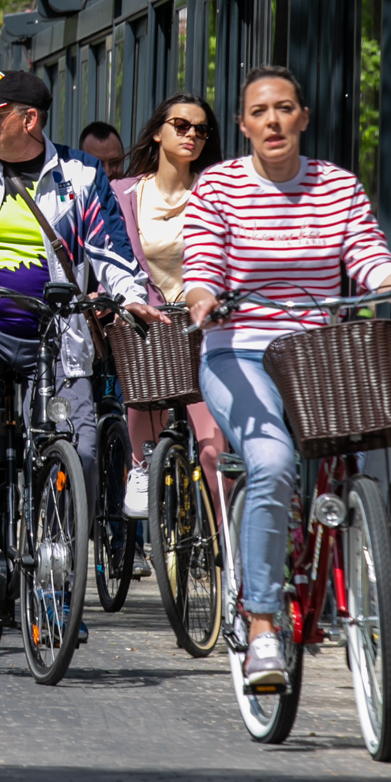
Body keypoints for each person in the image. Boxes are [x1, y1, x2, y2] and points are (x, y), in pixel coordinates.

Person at [184, 66, 391, 692]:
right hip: (238, 351)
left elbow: (367, 256)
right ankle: (262, 621)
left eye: (284, 108)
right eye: (259, 111)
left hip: (318, 353)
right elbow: (203, 260)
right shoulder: (219, 186)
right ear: (243, 125)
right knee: (270, 462)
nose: (272, 120)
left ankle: (351, 569)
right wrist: (204, 294)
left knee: (365, 450)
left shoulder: (337, 185)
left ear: (303, 118)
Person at [0, 69, 153, 594]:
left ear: (29, 119)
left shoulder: (82, 174)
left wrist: (129, 298)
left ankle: (56, 578)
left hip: (56, 331)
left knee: (81, 452)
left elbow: (111, 249)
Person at [111, 96, 224, 516]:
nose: (192, 134)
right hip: (150, 335)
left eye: (201, 129)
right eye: (181, 124)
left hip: (205, 332)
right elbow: (104, 254)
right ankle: (140, 468)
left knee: (214, 455)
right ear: (158, 131)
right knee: (145, 409)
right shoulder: (124, 194)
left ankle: (223, 555)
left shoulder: (216, 192)